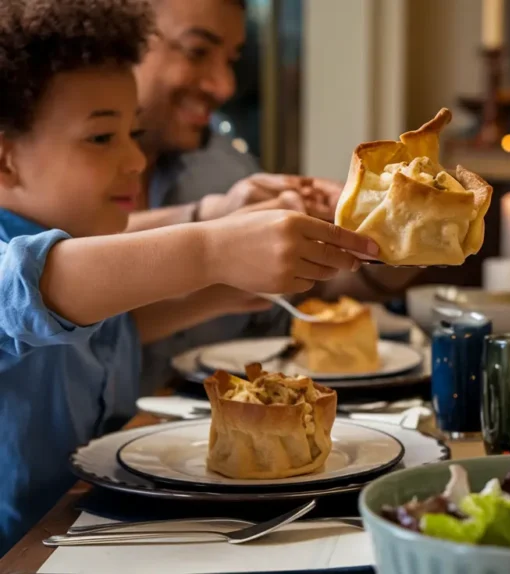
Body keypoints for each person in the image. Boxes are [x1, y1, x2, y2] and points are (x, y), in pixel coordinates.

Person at [0, 0, 377, 552]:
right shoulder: (39, 272)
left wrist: (232, 288)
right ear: (6, 159)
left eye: (133, 134)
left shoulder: (89, 278)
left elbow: (112, 325)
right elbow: (32, 288)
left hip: (95, 541)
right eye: (102, 138)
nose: (133, 161)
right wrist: (212, 251)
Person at [126, 0, 418, 393]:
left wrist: (396, 238)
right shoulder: (34, 176)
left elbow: (301, 298)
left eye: (230, 59)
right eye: (197, 51)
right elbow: (42, 273)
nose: (224, 86)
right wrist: (213, 219)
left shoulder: (223, 166)